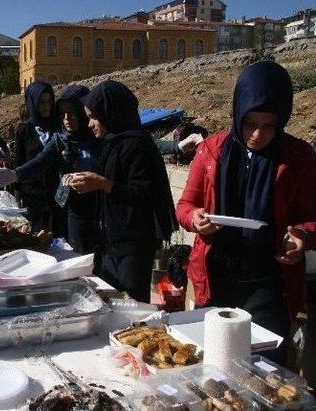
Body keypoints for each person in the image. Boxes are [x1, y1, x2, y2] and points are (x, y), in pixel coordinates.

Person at [176, 61, 316, 364]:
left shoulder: (299, 156)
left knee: (265, 365)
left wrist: (302, 235)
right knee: (214, 362)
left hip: (268, 281)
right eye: (249, 123)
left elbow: (311, 217)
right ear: (237, 113)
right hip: (216, 278)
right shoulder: (211, 150)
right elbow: (184, 206)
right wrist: (196, 218)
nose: (256, 134)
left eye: (269, 126)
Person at [68, 80, 178, 302]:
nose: (89, 124)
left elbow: (144, 194)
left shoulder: (136, 145)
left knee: (130, 307)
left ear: (110, 112)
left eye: (94, 117)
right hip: (113, 241)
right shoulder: (112, 142)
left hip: (133, 243)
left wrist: (103, 184)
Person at [0, 85, 101, 254]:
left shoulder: (99, 137)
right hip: (74, 209)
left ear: (83, 110)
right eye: (62, 113)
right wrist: (15, 174)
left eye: (72, 112)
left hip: (102, 208)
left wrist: (97, 181)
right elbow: (40, 161)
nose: (66, 119)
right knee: (79, 254)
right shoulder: (61, 139)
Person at [13, 80, 64, 235]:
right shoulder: (24, 129)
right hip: (32, 195)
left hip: (56, 194)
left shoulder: (58, 126)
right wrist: (17, 193)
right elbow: (18, 161)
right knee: (37, 237)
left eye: (49, 101)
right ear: (33, 102)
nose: (46, 106)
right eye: (41, 102)